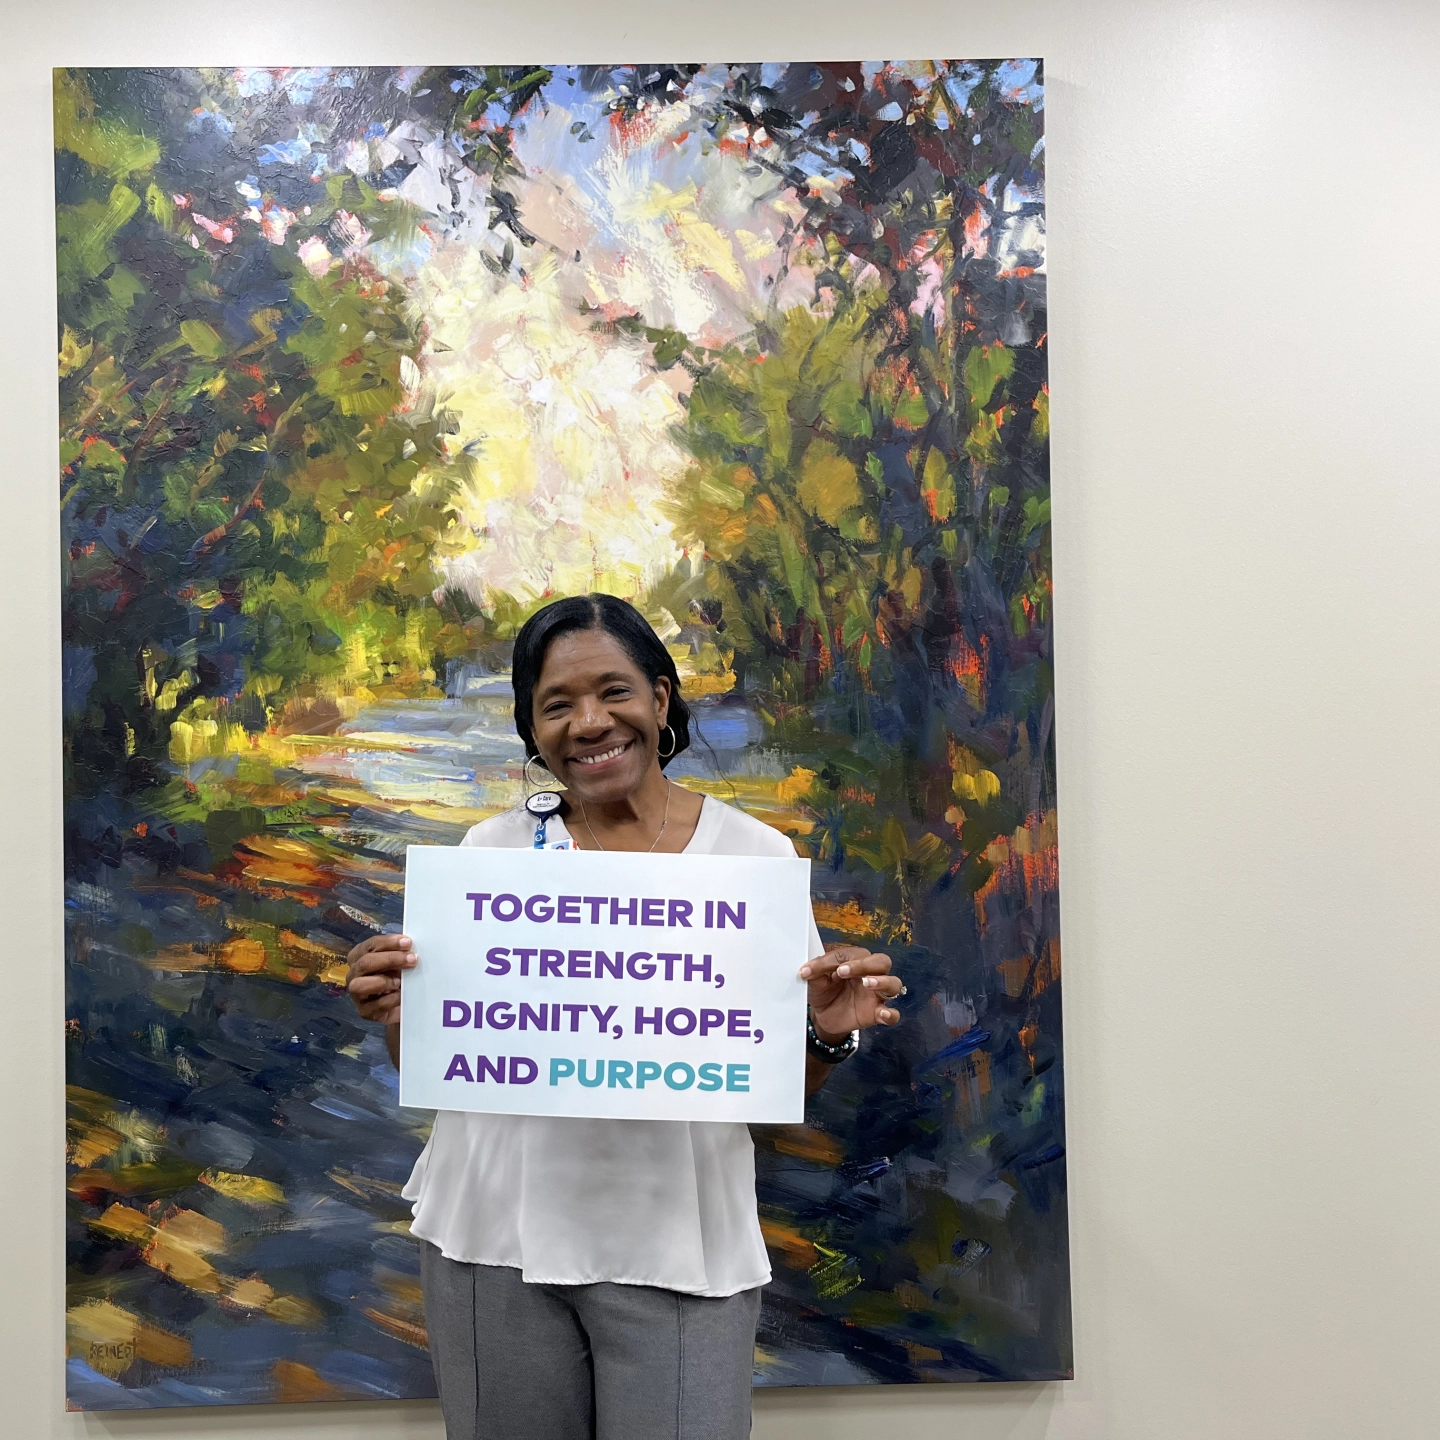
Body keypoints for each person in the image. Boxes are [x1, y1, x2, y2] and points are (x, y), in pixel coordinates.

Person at [346, 594, 902, 1440]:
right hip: (492, 1231)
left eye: (614, 691)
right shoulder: (490, 854)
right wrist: (395, 1010)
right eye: (557, 705)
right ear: (533, 730)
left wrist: (825, 1032)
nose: (590, 723)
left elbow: (770, 1094)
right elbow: (448, 1060)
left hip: (675, 1237)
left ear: (660, 699)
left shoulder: (753, 860)